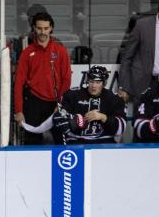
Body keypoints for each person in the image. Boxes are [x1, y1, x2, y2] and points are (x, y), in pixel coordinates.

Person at [13, 12, 71, 145]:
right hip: (34, 103)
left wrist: (60, 104)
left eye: (46, 28)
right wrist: (19, 110)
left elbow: (66, 80)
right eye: (39, 28)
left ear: (51, 28)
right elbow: (18, 84)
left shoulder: (60, 51)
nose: (42, 32)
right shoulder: (27, 53)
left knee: (61, 142)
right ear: (34, 28)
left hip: (55, 104)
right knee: (32, 143)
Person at [51, 66, 127, 144]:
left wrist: (103, 117)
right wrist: (74, 120)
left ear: (104, 83)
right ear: (87, 81)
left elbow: (121, 129)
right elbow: (59, 118)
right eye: (91, 81)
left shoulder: (113, 98)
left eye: (98, 82)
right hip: (77, 141)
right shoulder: (73, 95)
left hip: (104, 143)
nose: (94, 86)